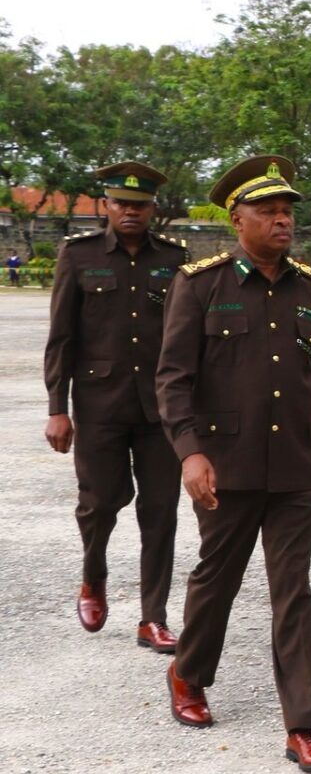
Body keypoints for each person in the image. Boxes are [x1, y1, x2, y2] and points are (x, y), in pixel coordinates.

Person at [156, 155, 311, 773]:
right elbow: (173, 380)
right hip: (225, 466)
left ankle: (301, 727)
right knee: (218, 578)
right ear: (238, 220)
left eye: (288, 212)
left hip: (294, 467)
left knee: (294, 593)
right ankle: (189, 676)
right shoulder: (200, 284)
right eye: (269, 211)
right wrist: (191, 453)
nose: (283, 220)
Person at [43, 160, 189, 648]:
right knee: (100, 502)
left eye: (141, 205)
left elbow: (187, 338)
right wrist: (56, 408)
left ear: (153, 209)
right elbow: (61, 338)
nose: (131, 212)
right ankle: (94, 575)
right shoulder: (79, 256)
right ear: (106, 205)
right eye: (122, 203)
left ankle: (153, 616)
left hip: (160, 409)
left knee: (161, 509)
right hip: (99, 404)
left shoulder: (174, 259)